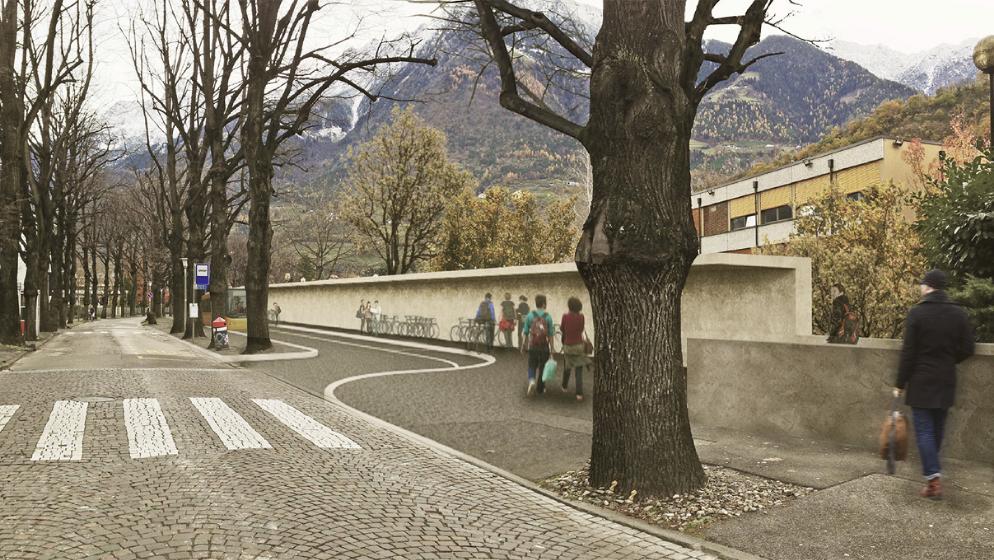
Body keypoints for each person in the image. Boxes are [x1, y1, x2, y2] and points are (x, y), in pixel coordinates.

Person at [893, 269, 974, 500]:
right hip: (946, 379)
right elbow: (968, 348)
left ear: (928, 286)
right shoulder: (958, 313)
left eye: (922, 284)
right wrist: (950, 360)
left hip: (921, 381)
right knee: (937, 430)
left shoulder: (917, 313)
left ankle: (933, 478)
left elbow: (908, 353)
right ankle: (932, 477)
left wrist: (900, 383)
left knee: (925, 432)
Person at [522, 294, 555, 397]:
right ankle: (540, 388)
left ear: (536, 304)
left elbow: (525, 332)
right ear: (544, 304)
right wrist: (552, 348)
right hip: (544, 346)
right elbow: (550, 334)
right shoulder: (548, 317)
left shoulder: (530, 315)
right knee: (542, 367)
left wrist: (523, 344)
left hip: (533, 345)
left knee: (532, 364)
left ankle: (532, 380)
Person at [559, 296, 592, 401]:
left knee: (567, 367)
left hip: (568, 346)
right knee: (579, 371)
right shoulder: (581, 317)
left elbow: (562, 329)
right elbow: (581, 329)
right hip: (579, 346)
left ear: (569, 306)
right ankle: (579, 394)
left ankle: (564, 387)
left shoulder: (565, 316)